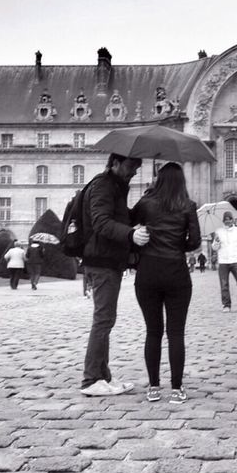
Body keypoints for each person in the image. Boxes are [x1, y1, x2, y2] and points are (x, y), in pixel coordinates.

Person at [129, 162, 200, 403]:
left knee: (153, 332)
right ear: (182, 182)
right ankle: (177, 388)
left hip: (148, 272)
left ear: (158, 180)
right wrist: (178, 244)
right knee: (176, 333)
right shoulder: (188, 206)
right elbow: (195, 242)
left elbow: (131, 222)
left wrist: (148, 196)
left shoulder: (147, 203)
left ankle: (153, 387)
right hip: (177, 273)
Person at [80, 152, 149, 396]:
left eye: (138, 166)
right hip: (101, 261)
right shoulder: (103, 186)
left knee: (106, 318)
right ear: (116, 163)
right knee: (103, 318)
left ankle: (103, 376)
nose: (135, 171)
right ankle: (91, 380)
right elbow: (101, 222)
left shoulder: (116, 187)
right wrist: (130, 234)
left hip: (108, 260)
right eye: (132, 165)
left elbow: (120, 218)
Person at [212, 208, 237, 312]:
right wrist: (216, 241)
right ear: (223, 221)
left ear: (233, 220)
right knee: (224, 285)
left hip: (236, 260)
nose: (227, 221)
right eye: (225, 219)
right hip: (223, 261)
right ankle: (226, 305)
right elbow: (214, 248)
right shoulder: (218, 231)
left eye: (229, 219)